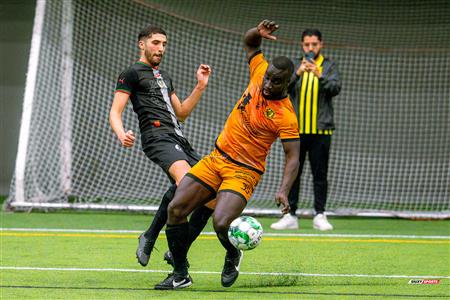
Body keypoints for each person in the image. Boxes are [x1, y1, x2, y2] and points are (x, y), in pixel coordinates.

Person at [154, 20, 300, 290]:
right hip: (216, 158)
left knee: (221, 223)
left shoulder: (286, 116)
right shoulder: (259, 73)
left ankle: (233, 253)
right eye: (267, 77)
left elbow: (293, 157)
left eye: (275, 81)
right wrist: (257, 32)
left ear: (287, 82)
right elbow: (250, 42)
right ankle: (180, 273)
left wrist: (283, 190)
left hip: (244, 170)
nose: (267, 84)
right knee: (176, 208)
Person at [109, 24, 215, 268]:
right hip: (157, 137)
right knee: (186, 182)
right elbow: (115, 112)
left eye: (164, 44)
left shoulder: (165, 76)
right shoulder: (132, 73)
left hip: (179, 139)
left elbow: (182, 113)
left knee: (212, 195)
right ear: (142, 44)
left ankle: (178, 249)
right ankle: (151, 236)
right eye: (156, 42)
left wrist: (200, 86)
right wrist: (121, 133)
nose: (160, 48)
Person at [270, 28, 341, 231]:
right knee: (294, 173)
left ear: (321, 45)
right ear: (302, 45)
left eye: (314, 44)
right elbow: (280, 88)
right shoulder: (293, 66)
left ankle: (320, 214)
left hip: (321, 131)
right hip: (296, 131)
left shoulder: (329, 66)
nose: (311, 48)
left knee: (320, 174)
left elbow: (336, 88)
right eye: (307, 44)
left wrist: (320, 76)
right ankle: (290, 215)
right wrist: (297, 74)